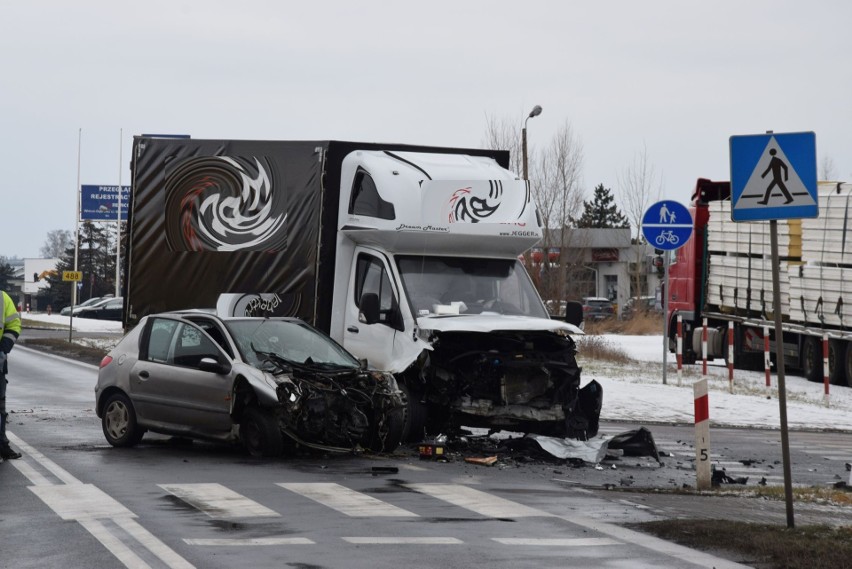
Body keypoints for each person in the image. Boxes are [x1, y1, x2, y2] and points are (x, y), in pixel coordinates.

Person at [1, 290, 22, 460]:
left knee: (0, 407)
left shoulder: (2, 298)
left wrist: (3, 348)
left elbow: (14, 324)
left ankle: (1, 444)